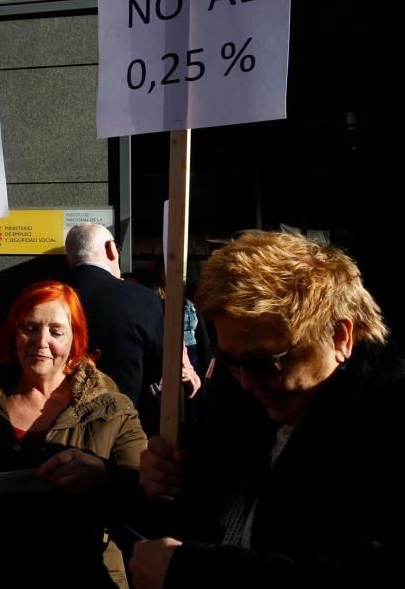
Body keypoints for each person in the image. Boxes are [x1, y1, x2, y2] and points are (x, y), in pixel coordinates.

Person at [130, 231, 403, 589]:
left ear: (340, 337)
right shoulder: (236, 407)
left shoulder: (389, 423)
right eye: (228, 360)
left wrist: (193, 570)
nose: (245, 381)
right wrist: (165, 482)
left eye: (265, 362)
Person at [0, 280, 147, 588]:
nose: (41, 341)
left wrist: (105, 477)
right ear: (14, 334)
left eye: (56, 331)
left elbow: (147, 496)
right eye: (31, 328)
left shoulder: (111, 409)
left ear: (75, 338)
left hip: (82, 574)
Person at [65, 223, 164, 427]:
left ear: (69, 259)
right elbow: (159, 365)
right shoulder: (143, 298)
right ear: (111, 249)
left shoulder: (50, 297)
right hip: (125, 425)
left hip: (58, 424)